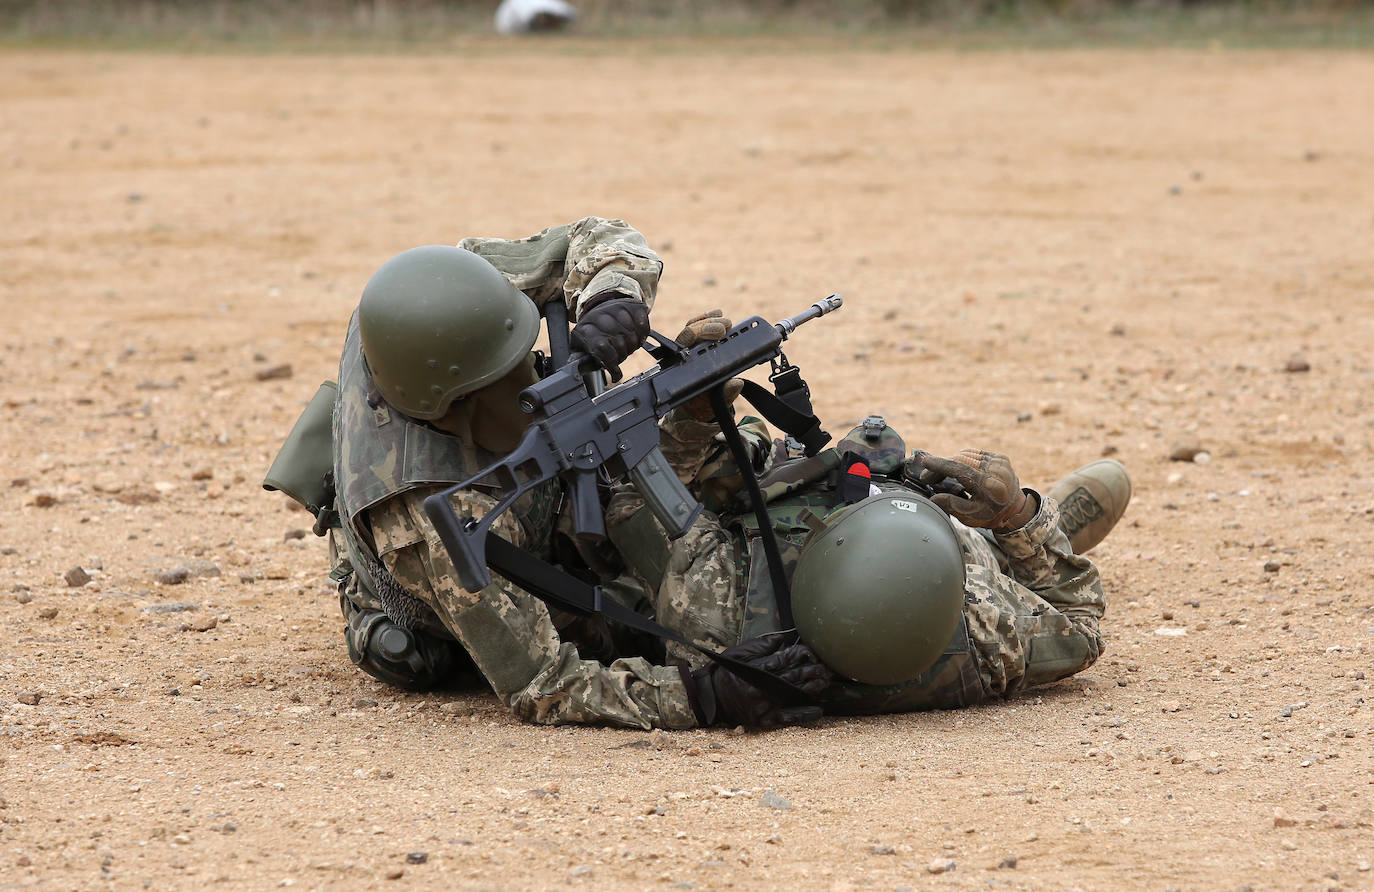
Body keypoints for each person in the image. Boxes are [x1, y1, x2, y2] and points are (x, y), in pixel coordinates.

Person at [292, 220, 826, 731]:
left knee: (723, 471)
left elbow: (586, 238)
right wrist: (704, 695)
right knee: (646, 617)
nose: (537, 375)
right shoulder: (435, 520)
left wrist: (612, 298)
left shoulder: (428, 301)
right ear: (456, 411)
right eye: (512, 380)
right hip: (475, 574)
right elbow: (544, 683)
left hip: (535, 494)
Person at [606, 310, 1132, 715]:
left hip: (919, 555)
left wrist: (695, 417)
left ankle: (1010, 542)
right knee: (997, 551)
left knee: (739, 465)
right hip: (957, 559)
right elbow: (1081, 621)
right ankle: (1024, 538)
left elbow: (630, 503)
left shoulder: (716, 606)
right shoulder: (986, 626)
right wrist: (1016, 516)